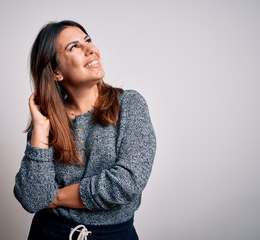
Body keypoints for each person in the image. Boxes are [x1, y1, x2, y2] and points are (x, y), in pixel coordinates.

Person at [13, 20, 156, 240]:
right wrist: (40, 131)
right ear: (56, 72)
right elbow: (33, 199)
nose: (91, 49)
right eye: (74, 47)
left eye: (88, 40)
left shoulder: (129, 105)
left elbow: (127, 181)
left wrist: (58, 197)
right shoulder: (46, 120)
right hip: (48, 232)